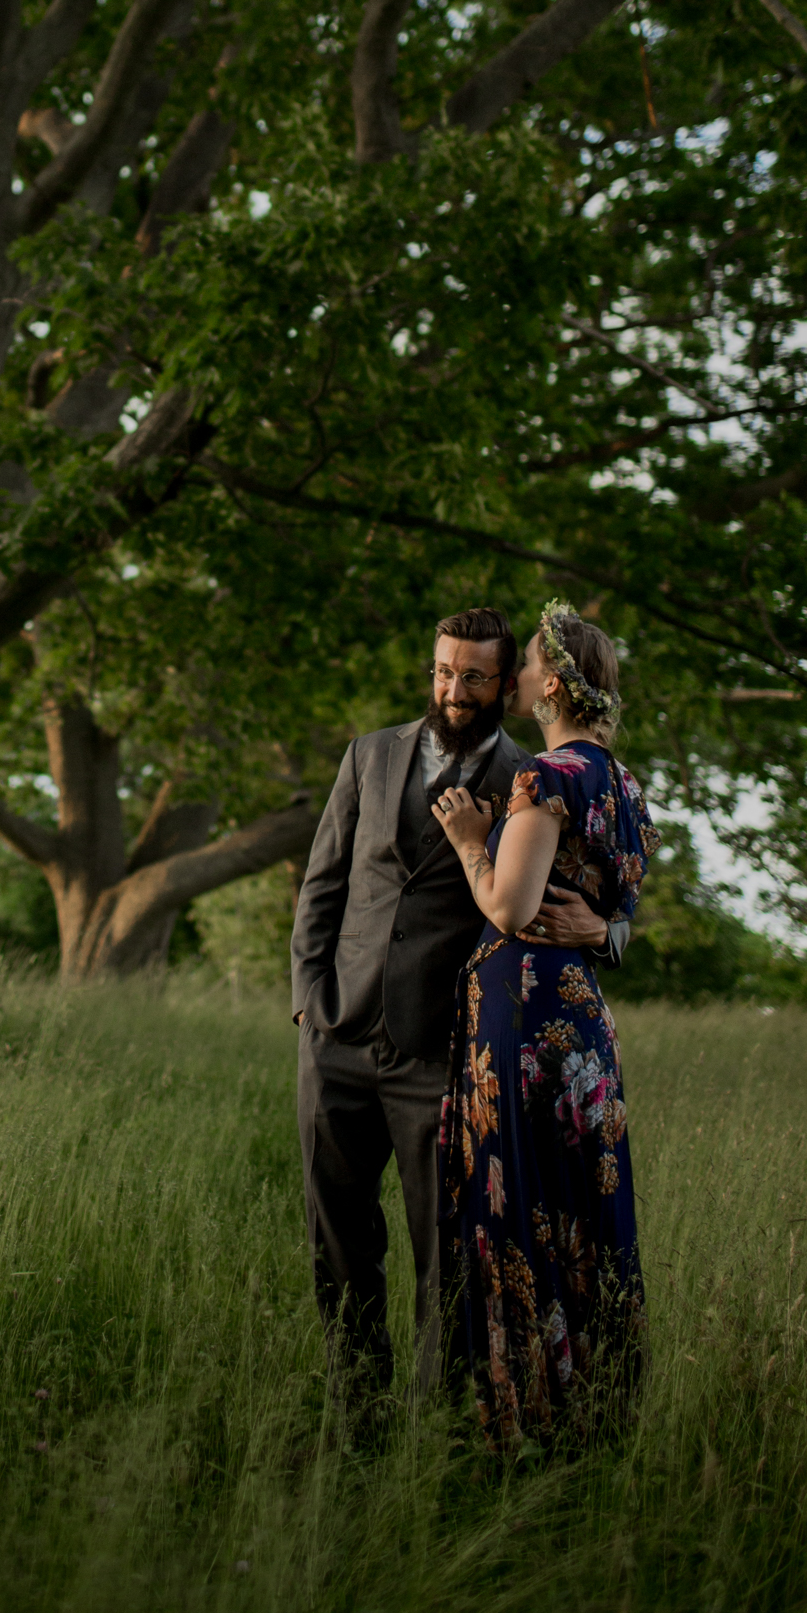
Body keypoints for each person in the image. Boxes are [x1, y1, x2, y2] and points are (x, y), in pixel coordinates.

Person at [290, 606, 629, 1411]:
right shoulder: (369, 756)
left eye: (473, 676)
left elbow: (595, 893)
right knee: (335, 1238)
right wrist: (307, 1001)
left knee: (441, 1252)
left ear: (505, 678)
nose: (453, 688)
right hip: (335, 1034)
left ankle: (431, 1419)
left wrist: (608, 935)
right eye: (443, 671)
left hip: (442, 1048)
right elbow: (322, 886)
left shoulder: (532, 776)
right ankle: (355, 1405)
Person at [434, 601, 657, 1451]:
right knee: (582, 1209)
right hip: (582, 1025)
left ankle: (522, 1422)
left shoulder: (548, 778)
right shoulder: (623, 784)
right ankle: (595, 1410)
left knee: (519, 1209)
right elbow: (613, 914)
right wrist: (602, 934)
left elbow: (510, 906)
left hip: (524, 1022)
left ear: (552, 685)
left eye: (524, 665)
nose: (515, 679)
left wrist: (467, 840)